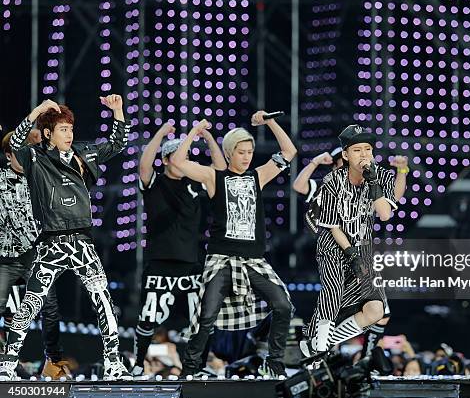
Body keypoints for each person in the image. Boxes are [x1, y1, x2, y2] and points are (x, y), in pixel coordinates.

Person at [0, 96, 133, 381]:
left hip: (83, 243)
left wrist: (118, 111)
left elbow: (117, 143)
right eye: (62, 129)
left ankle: (114, 365)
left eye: (70, 128)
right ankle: (7, 365)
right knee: (30, 304)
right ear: (48, 133)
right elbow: (15, 142)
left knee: (104, 301)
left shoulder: (83, 153)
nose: (69, 134)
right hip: (51, 244)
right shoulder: (34, 156)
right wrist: (38, 111)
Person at [173, 112, 297, 378]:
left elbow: (289, 151)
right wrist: (195, 132)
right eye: (241, 152)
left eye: (250, 151)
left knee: (283, 305)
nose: (247, 157)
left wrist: (269, 122)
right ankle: (190, 371)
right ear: (229, 153)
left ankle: (274, 364)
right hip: (222, 259)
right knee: (206, 318)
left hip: (254, 261)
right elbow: (178, 161)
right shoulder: (214, 177)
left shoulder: (258, 176)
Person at [132, 121, 227, 378]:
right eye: (178, 155)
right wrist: (161, 134)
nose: (183, 160)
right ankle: (139, 364)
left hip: (191, 262)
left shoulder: (196, 184)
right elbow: (143, 165)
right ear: (166, 160)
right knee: (149, 316)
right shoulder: (155, 183)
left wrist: (207, 136)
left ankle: (197, 366)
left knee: (201, 319)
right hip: (161, 261)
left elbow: (220, 170)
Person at [293, 148, 408, 359]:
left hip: (362, 255)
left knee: (378, 312)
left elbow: (393, 199)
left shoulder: (368, 184)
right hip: (334, 254)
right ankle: (321, 348)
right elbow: (299, 186)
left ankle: (349, 354)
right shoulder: (328, 185)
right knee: (334, 306)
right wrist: (316, 161)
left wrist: (402, 171)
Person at [0, 130, 70, 379]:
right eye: (21, 151)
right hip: (5, 258)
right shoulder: (1, 180)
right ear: (9, 155)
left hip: (35, 256)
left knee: (50, 308)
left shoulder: (39, 177)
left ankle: (53, 362)